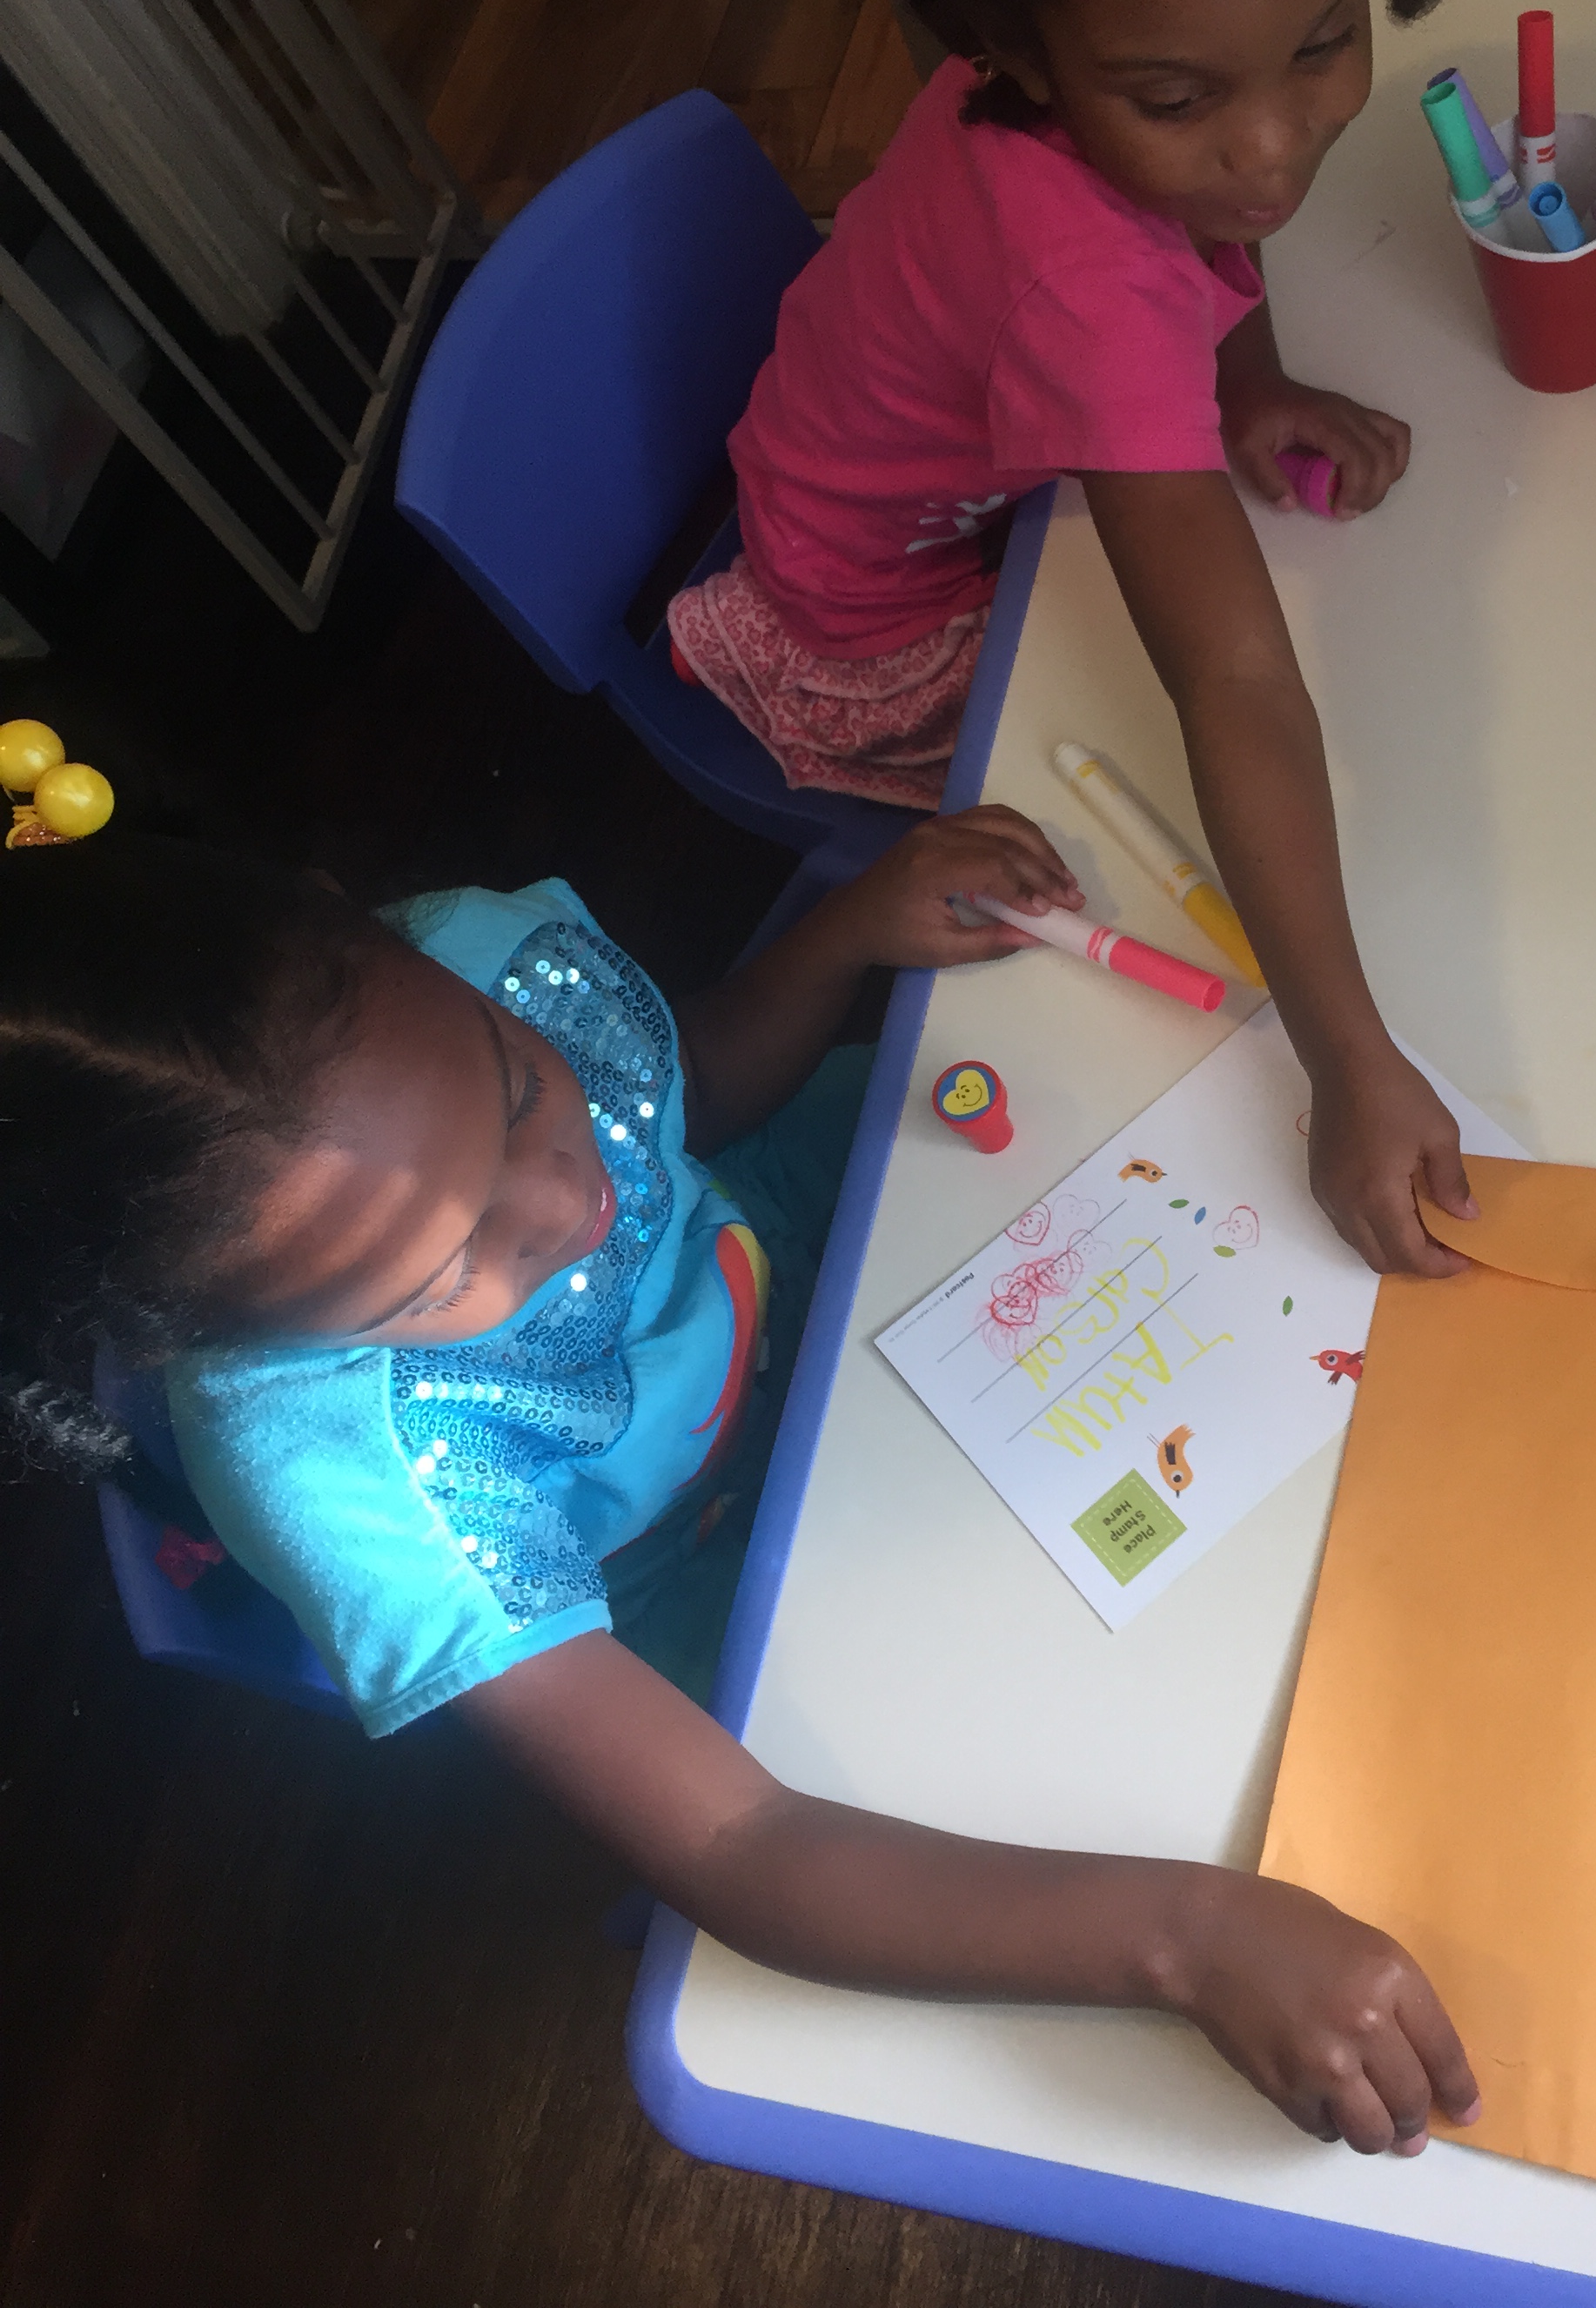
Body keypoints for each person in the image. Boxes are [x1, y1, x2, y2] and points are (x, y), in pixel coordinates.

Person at [0, 825, 1479, 2156]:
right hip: (689, 1563)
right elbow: (742, 1845)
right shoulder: (345, 1478)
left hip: (788, 1222)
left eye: (515, 1090)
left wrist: (835, 941)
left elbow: (679, 1098)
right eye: (442, 1273)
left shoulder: (469, 950)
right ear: (223, 1345)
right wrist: (1188, 1938)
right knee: (1019, 1734)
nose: (567, 1200)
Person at [666, 0, 1477, 1284]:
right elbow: (1231, 682)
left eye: (1324, 42)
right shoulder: (1078, 287)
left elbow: (1211, 228)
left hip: (945, 482)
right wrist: (1345, 1056)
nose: (1273, 148)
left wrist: (1245, 381)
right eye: (1178, 96)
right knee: (1262, 782)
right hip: (864, 614)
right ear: (1013, 49)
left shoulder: (1110, 92)